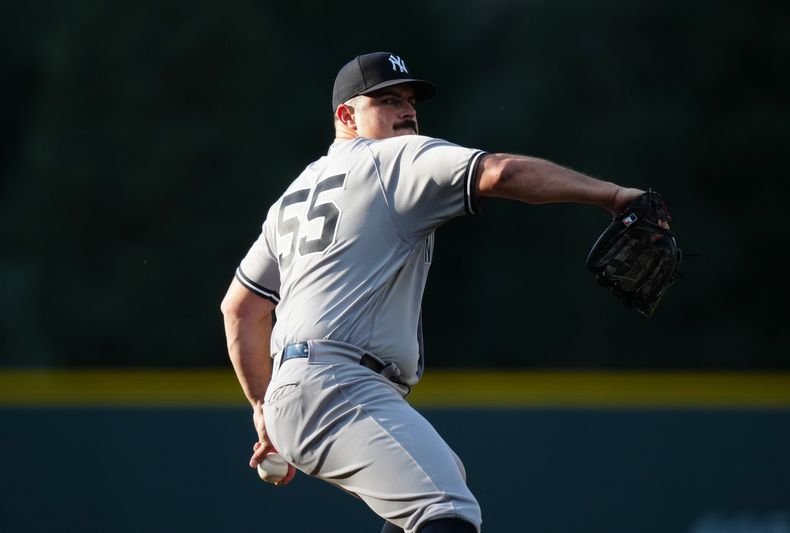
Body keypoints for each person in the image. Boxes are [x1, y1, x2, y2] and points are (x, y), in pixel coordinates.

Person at [221, 51, 644, 533]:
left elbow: (242, 308)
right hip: (338, 383)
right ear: (346, 115)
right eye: (386, 99)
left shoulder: (293, 195)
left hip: (307, 389)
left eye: (410, 100)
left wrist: (263, 409)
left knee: (427, 498)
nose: (406, 110)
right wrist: (613, 196)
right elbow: (501, 172)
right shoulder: (391, 157)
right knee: (446, 510)